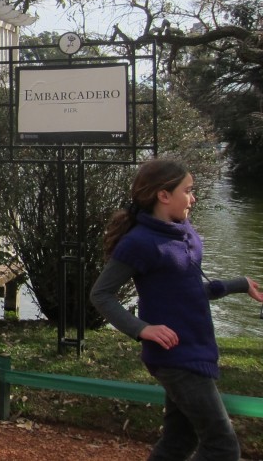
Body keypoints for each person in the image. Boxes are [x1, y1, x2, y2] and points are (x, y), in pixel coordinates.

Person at [90, 158, 263, 460]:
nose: (193, 198)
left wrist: (240, 284)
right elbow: (101, 294)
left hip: (198, 347)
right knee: (222, 446)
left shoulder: (185, 232)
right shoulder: (139, 242)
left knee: (178, 441)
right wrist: (142, 329)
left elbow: (189, 291)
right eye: (188, 190)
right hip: (174, 356)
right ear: (164, 195)